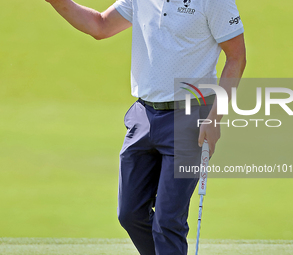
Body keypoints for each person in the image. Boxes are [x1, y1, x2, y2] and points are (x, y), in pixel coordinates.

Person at [45, 0, 246, 254]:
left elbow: (237, 56)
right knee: (130, 213)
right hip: (143, 115)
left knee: (168, 221)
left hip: (190, 117)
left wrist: (215, 118)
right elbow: (100, 25)